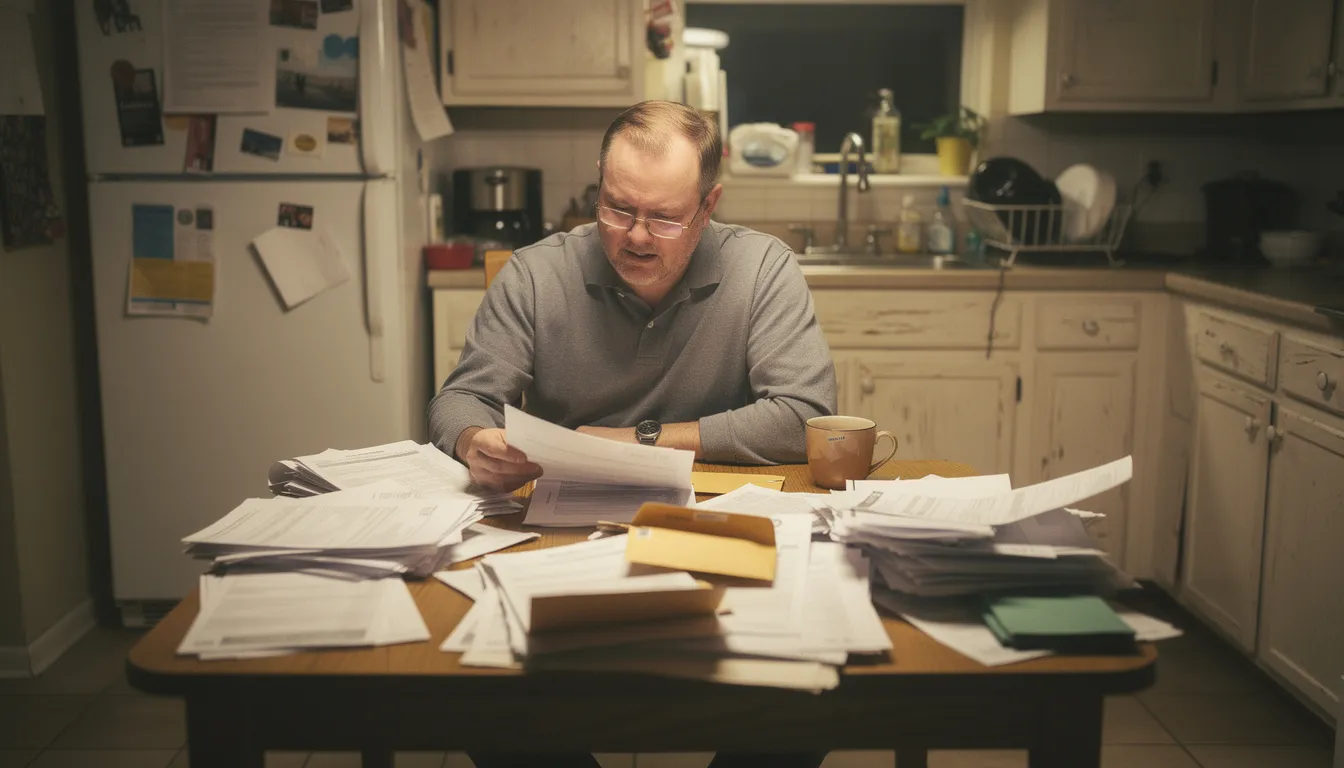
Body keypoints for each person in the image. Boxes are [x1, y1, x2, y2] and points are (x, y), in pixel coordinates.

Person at [428, 100, 836, 768]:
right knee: (487, 695)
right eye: (617, 208)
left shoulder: (763, 268)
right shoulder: (535, 273)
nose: (636, 237)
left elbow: (802, 415)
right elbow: (461, 398)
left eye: (665, 217)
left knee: (804, 690)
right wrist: (475, 439)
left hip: (714, 529)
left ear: (708, 206)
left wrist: (634, 439)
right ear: (598, 185)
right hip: (563, 535)